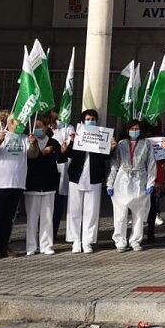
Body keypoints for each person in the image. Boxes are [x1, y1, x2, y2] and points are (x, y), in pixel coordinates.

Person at [0, 109, 35, 260]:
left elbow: (32, 155)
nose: (22, 125)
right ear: (11, 122)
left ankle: (3, 245)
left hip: (16, 183)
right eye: (19, 122)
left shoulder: (24, 138)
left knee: (8, 218)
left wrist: (33, 144)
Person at [61, 109, 113, 253]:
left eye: (93, 119)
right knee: (74, 210)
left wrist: (112, 147)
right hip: (77, 177)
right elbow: (70, 154)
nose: (91, 121)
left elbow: (106, 157)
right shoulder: (77, 135)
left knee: (91, 211)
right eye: (88, 119)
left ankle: (87, 241)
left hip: (94, 177)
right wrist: (71, 142)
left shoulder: (102, 135)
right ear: (83, 121)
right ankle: (76, 240)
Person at [109, 119, 156, 252]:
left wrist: (150, 182)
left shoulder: (146, 144)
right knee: (120, 212)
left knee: (138, 213)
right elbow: (115, 164)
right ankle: (120, 240)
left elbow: (151, 163)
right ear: (127, 130)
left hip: (140, 179)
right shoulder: (121, 144)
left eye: (137, 129)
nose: (134, 131)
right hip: (122, 179)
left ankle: (135, 240)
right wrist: (109, 183)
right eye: (132, 129)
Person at [24, 115, 62, 255]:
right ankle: (31, 246)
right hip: (32, 184)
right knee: (32, 218)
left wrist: (62, 149)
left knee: (47, 217)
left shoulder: (53, 142)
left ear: (46, 127)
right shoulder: (27, 142)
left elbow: (61, 158)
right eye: (35, 127)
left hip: (49, 184)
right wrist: (40, 151)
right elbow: (29, 158)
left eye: (40, 127)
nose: (37, 130)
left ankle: (46, 245)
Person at [46, 109, 73, 243]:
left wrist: (64, 149)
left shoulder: (68, 128)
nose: (57, 122)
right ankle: (43, 232)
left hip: (62, 170)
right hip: (48, 171)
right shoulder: (47, 131)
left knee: (57, 203)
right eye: (55, 119)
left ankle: (53, 232)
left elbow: (66, 150)